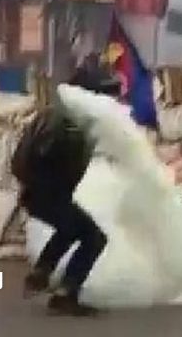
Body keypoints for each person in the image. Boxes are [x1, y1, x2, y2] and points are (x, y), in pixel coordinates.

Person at [12, 55, 118, 316]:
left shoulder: (52, 113)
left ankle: (41, 272)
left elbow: (23, 158)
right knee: (94, 238)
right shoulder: (72, 124)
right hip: (48, 193)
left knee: (71, 229)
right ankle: (66, 293)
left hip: (35, 192)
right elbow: (58, 158)